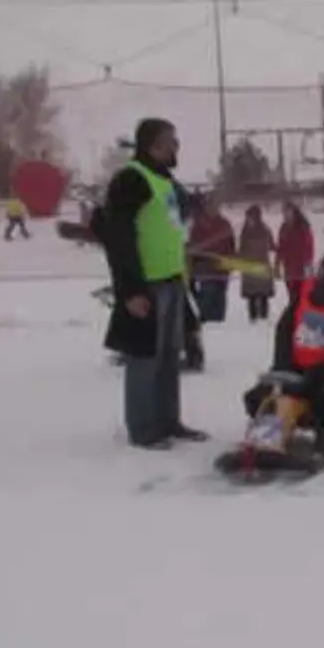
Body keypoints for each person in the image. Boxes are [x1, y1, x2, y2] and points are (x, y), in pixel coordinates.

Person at [99, 117, 206, 449]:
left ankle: (168, 421)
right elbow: (119, 239)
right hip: (146, 285)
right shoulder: (131, 180)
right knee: (145, 358)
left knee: (170, 356)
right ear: (153, 145)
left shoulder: (164, 179)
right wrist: (130, 290)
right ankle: (143, 429)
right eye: (171, 141)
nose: (177, 147)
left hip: (172, 281)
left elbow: (181, 212)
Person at [242, 246, 324, 453]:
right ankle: (266, 437)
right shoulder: (306, 293)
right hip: (293, 367)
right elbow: (284, 330)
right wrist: (283, 364)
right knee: (257, 397)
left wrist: (317, 375)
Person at [187, 194, 236, 323]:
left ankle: (218, 321)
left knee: (220, 297)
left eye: (215, 205)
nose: (213, 208)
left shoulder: (225, 224)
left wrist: (230, 262)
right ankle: (206, 318)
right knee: (208, 295)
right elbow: (192, 246)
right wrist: (191, 266)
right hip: (205, 268)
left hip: (222, 268)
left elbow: (231, 245)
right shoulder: (198, 225)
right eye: (210, 205)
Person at [238, 204, 276, 322]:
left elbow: (272, 246)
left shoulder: (265, 230)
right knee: (252, 297)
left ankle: (264, 318)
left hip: (262, 266)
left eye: (251, 217)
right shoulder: (244, 233)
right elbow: (241, 249)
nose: (249, 220)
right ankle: (253, 319)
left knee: (263, 295)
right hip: (250, 268)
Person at [276, 200, 314, 299]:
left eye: (288, 212)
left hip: (301, 268)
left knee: (302, 296)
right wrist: (277, 264)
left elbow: (309, 246)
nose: (285, 214)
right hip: (288, 268)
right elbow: (280, 247)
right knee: (292, 296)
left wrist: (307, 264)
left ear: (294, 212)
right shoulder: (283, 228)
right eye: (284, 212)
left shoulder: (302, 227)